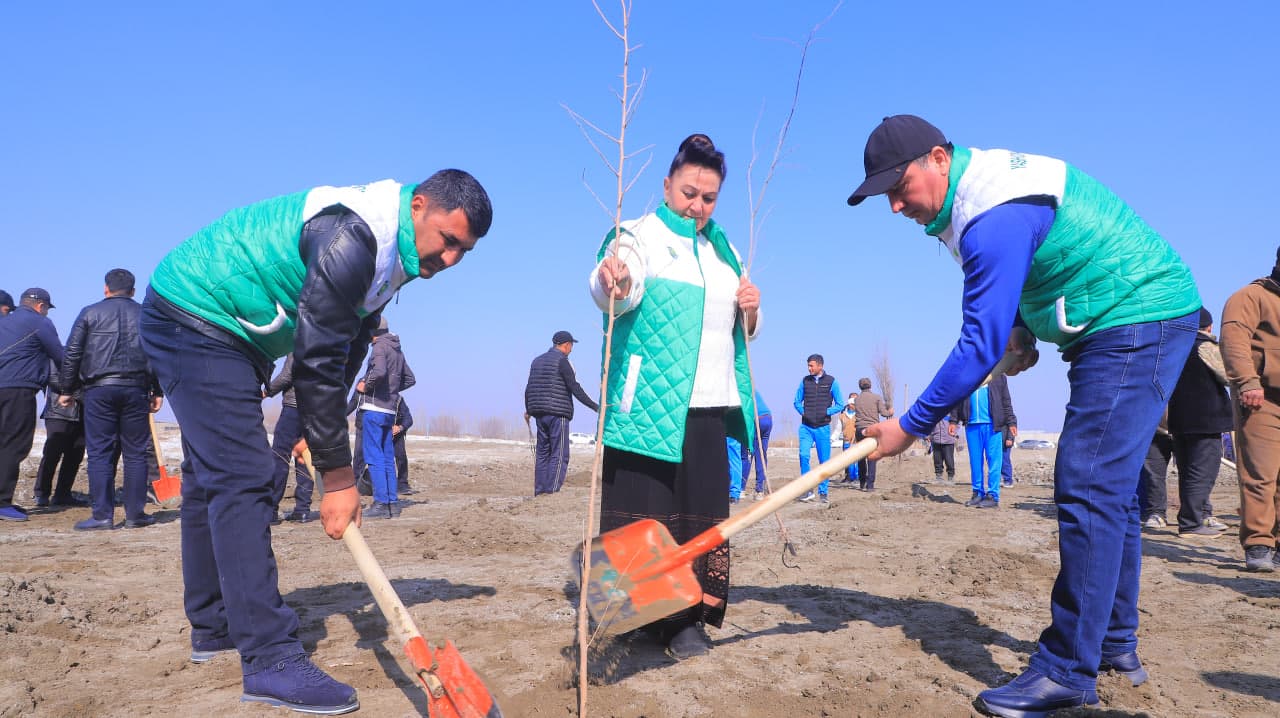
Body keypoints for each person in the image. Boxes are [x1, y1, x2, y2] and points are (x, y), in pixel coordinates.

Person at [849, 115, 1200, 716]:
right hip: (1131, 317)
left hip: (1136, 316)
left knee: (1087, 482)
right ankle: (1115, 646)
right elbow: (1015, 302)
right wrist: (1021, 330)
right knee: (1107, 493)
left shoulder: (992, 213)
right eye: (885, 194)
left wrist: (907, 427)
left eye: (899, 186)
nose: (894, 205)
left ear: (938, 158)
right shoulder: (979, 200)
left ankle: (1067, 670)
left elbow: (976, 346)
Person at [139, 170, 492, 714]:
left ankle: (213, 628)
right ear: (419, 206)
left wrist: (308, 430)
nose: (450, 261)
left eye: (463, 252)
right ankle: (270, 659)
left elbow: (346, 345)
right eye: (448, 241)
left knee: (212, 478)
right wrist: (339, 478)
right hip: (195, 312)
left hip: (226, 326)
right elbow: (318, 359)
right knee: (243, 475)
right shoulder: (354, 239)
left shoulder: (393, 257)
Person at [590, 133, 760, 660]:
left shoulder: (722, 248)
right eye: (689, 193)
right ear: (667, 185)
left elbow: (743, 329)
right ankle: (631, 619)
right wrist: (612, 282)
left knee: (700, 514)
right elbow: (615, 287)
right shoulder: (634, 235)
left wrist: (752, 308)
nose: (698, 206)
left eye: (709, 198)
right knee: (643, 510)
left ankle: (688, 621)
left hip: (709, 402)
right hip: (645, 404)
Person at [59, 269, 163, 531]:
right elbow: (159, 354)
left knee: (100, 454)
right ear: (133, 291)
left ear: (105, 289)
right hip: (136, 389)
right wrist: (158, 391)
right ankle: (135, 514)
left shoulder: (89, 313)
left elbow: (72, 353)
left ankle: (103, 516)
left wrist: (66, 389)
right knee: (136, 453)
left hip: (99, 390)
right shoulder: (145, 315)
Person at [1220, 247, 1280, 572]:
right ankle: (1259, 543)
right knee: (1260, 474)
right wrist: (1247, 382)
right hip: (1263, 398)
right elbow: (1233, 340)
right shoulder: (1249, 296)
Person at [1167, 308, 1234, 538]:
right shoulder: (1204, 346)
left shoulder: (1172, 348)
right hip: (1206, 419)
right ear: (1209, 327)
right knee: (1202, 472)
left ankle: (1199, 516)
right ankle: (1192, 523)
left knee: (1188, 472)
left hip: (1179, 419)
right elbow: (1228, 375)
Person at [0, 288, 63, 522]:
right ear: (41, 306)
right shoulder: (40, 323)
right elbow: (60, 356)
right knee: (13, 444)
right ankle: (2, 502)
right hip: (18, 390)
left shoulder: (5, 321)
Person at [523, 329, 599, 496]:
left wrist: (528, 410)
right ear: (566, 345)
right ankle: (551, 491)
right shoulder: (562, 361)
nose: (571, 349)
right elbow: (574, 387)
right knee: (559, 453)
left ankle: (540, 490)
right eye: (571, 346)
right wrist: (595, 406)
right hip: (558, 414)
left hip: (539, 414)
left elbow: (529, 387)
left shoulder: (537, 361)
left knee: (543, 453)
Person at [357, 317, 415, 518]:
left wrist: (367, 385)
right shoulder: (397, 349)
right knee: (387, 458)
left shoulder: (380, 347)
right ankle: (392, 503)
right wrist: (391, 392)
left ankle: (381, 503)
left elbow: (379, 371)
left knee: (374, 457)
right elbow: (409, 379)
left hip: (374, 409)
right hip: (390, 411)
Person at [949, 374, 1015, 509]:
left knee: (994, 462)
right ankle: (977, 493)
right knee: (975, 462)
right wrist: (953, 420)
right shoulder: (968, 375)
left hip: (993, 426)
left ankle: (993, 496)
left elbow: (1006, 402)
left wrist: (1012, 422)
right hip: (972, 426)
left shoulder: (999, 376)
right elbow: (957, 399)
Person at [264, 354, 314, 523]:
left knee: (279, 456)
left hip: (294, 407)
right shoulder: (325, 342)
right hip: (314, 409)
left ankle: (270, 509)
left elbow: (287, 375)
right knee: (304, 457)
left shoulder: (299, 341)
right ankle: (303, 510)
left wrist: (267, 391)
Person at [34, 360, 88, 507]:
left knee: (75, 456)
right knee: (52, 454)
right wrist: (81, 395)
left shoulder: (92, 359)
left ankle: (62, 494)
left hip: (82, 415)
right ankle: (41, 493)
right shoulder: (59, 356)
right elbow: (54, 379)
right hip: (59, 413)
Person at [793, 354, 841, 503]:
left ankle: (823, 492)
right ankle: (807, 490)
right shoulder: (805, 381)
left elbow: (840, 404)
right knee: (803, 455)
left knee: (824, 461)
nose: (809, 368)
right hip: (806, 427)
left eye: (812, 365)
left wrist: (826, 412)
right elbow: (796, 401)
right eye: (808, 365)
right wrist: (803, 412)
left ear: (820, 366)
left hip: (822, 428)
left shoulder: (831, 382)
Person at [853, 377, 893, 490]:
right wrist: (890, 411)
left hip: (860, 429)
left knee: (861, 457)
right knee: (872, 457)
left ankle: (862, 482)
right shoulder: (876, 398)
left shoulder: (857, 399)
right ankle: (870, 485)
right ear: (870, 386)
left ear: (860, 386)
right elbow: (884, 413)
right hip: (872, 429)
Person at [1137, 411, 1173, 529]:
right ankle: (1155, 512)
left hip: (1189, 427)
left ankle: (1202, 514)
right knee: (1152, 475)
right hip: (1154, 427)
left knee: (1195, 474)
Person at [742, 390, 772, 501]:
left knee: (747, 455)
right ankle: (760, 491)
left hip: (756, 420)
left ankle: (741, 489)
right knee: (761, 456)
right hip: (768, 418)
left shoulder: (741, 390)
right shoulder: (752, 389)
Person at [836, 393, 862, 486]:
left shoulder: (860, 414)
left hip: (857, 441)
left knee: (857, 460)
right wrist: (832, 439)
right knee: (849, 460)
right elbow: (838, 429)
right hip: (847, 441)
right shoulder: (843, 415)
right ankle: (850, 477)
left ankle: (858, 477)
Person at [928, 415, 957, 484]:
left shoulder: (951, 412)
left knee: (949, 460)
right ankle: (938, 477)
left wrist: (954, 433)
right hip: (936, 439)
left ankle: (950, 477)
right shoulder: (934, 412)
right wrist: (929, 435)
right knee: (937, 460)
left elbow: (957, 423)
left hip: (948, 440)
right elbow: (929, 424)